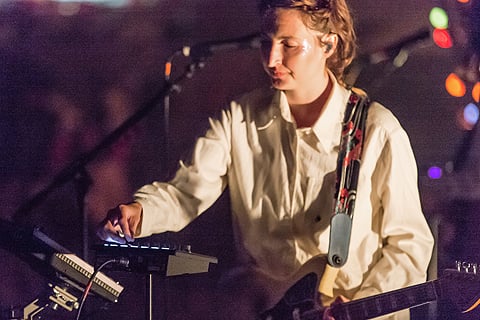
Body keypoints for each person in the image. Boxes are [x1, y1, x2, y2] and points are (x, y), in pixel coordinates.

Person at [97, 0, 434, 319]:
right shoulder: (238, 119)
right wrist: (141, 212)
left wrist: (362, 305)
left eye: (289, 44)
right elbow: (186, 192)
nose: (272, 58)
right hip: (260, 307)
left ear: (328, 46)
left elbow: (410, 245)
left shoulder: (377, 131)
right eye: (266, 42)